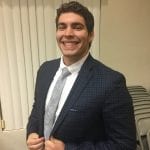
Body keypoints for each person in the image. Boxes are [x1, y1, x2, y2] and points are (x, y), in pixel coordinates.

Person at [26, 1, 136, 150]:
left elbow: (125, 145)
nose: (68, 33)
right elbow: (37, 110)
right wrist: (32, 132)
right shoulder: (45, 70)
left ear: (91, 35)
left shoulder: (111, 83)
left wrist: (67, 148)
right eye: (62, 27)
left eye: (77, 27)